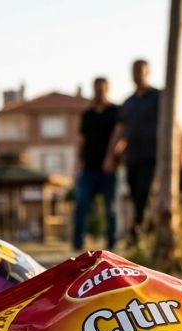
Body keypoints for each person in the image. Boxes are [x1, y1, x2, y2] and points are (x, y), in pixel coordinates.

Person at [104, 59, 160, 245]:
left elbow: (174, 124)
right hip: (133, 157)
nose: (137, 74)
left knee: (145, 193)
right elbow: (119, 132)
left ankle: (137, 233)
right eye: (134, 71)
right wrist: (112, 156)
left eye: (141, 71)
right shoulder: (128, 103)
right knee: (136, 195)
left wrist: (180, 151)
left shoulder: (158, 97)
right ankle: (141, 230)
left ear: (148, 72)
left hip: (153, 156)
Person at [73, 77, 121, 251]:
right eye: (97, 89)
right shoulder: (88, 114)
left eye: (103, 89)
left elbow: (121, 137)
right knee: (81, 204)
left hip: (109, 171)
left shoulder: (115, 111)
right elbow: (81, 140)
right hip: (88, 169)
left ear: (107, 90)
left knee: (111, 209)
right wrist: (77, 164)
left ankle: (112, 244)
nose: (99, 92)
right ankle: (78, 244)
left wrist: (112, 158)